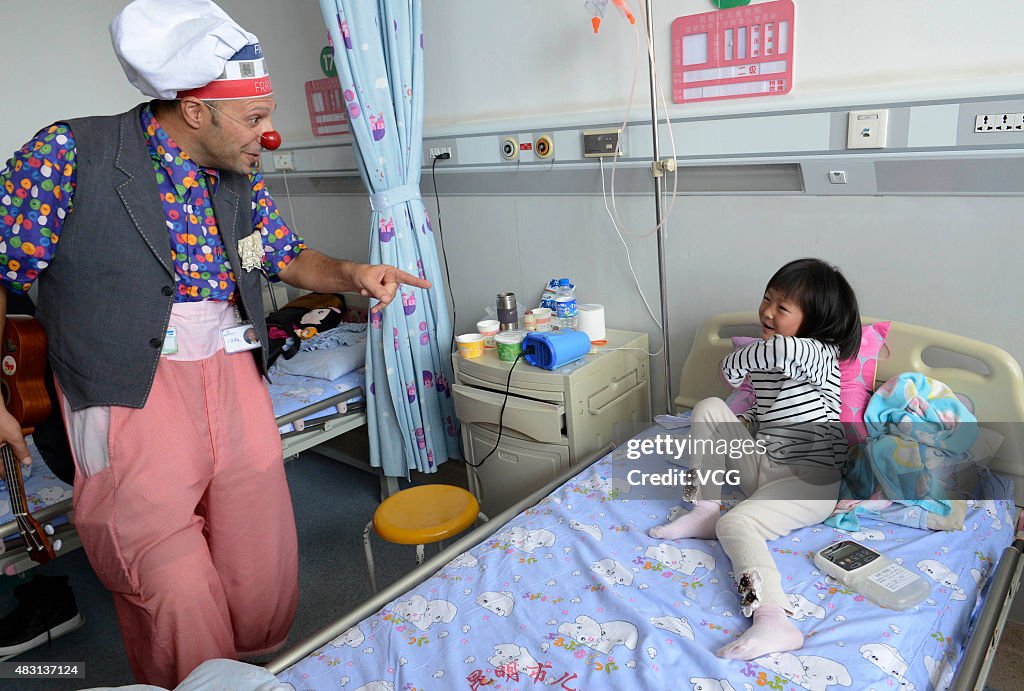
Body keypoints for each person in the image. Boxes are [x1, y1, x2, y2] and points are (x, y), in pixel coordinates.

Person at [0, 0, 430, 685]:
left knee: (257, 563)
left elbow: (280, 256)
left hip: (233, 377)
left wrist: (351, 273)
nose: (269, 133)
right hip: (130, 392)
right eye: (254, 118)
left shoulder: (238, 181)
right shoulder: (72, 154)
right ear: (195, 111)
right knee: (170, 582)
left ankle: (253, 671)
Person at [649, 257, 861, 661]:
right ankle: (705, 507)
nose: (766, 312)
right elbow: (747, 395)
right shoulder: (770, 357)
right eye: (767, 300)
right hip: (764, 466)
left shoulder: (818, 353)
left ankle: (774, 619)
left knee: (739, 522)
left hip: (808, 482)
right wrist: (742, 422)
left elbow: (733, 366)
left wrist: (742, 360)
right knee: (710, 406)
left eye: (782, 308)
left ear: (816, 321)